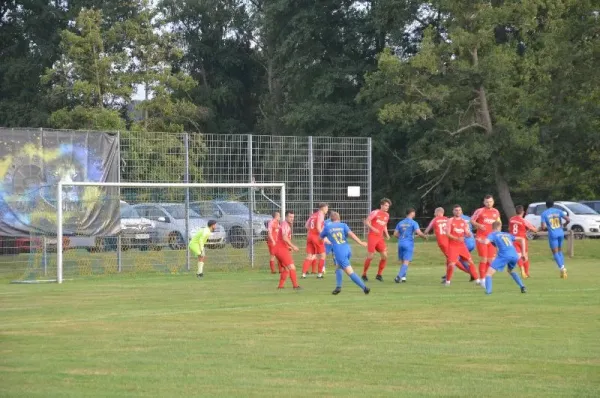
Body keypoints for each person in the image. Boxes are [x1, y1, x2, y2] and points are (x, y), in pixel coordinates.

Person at [320, 211, 370, 295]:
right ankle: (338, 287)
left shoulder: (327, 227)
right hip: (347, 249)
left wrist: (326, 240)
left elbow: (320, 238)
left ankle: (364, 288)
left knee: (349, 272)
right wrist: (361, 242)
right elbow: (352, 235)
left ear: (330, 219)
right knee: (338, 267)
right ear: (339, 218)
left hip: (339, 252)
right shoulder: (343, 225)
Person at [480, 221, 527, 295]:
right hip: (514, 255)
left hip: (504, 255)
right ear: (499, 227)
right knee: (510, 271)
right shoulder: (507, 234)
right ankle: (522, 286)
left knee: (488, 274)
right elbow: (522, 239)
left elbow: (486, 242)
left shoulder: (493, 234)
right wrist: (523, 253)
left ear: (492, 228)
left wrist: (480, 240)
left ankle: (488, 292)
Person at [445, 205, 479, 286]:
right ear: (453, 211)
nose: (458, 212)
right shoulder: (450, 221)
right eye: (456, 210)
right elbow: (447, 234)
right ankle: (448, 281)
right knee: (452, 264)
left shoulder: (464, 221)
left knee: (470, 262)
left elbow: (466, 232)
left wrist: (469, 234)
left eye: (459, 210)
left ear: (461, 211)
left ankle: (477, 280)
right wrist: (457, 238)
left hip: (462, 246)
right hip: (453, 246)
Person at [470, 195, 502, 281]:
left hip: (492, 239)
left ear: (493, 202)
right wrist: (479, 225)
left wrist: (498, 235)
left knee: (490, 259)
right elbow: (472, 220)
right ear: (484, 202)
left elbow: (499, 223)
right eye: (487, 202)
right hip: (481, 238)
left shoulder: (496, 211)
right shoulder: (480, 211)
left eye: (490, 202)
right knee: (484, 258)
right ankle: (482, 279)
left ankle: (486, 277)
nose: (489, 203)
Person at [393, 208, 427, 283]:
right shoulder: (413, 222)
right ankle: (399, 277)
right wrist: (424, 237)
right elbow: (418, 232)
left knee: (403, 261)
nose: (414, 214)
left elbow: (395, 234)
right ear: (412, 213)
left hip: (400, 243)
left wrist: (402, 237)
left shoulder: (400, 222)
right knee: (406, 261)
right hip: (408, 244)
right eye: (414, 213)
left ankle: (403, 277)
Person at [362, 198, 391, 282]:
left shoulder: (387, 215)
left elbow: (384, 225)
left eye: (388, 206)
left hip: (380, 238)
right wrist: (373, 229)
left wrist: (387, 233)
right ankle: (364, 274)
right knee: (370, 256)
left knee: (385, 256)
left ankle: (379, 275)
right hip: (372, 236)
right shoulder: (375, 212)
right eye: (385, 205)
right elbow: (367, 221)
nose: (387, 207)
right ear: (381, 205)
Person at [540, 200, 570, 279]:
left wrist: (547, 228)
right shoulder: (558, 211)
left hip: (553, 234)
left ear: (546, 206)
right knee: (560, 251)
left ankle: (562, 268)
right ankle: (563, 269)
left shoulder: (544, 213)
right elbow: (568, 220)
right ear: (553, 205)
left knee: (555, 253)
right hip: (560, 232)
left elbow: (543, 227)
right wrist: (564, 225)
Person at [509, 205, 538, 278]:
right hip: (522, 240)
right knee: (525, 256)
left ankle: (521, 268)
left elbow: (510, 228)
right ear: (523, 212)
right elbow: (534, 230)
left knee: (518, 256)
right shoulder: (523, 220)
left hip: (513, 240)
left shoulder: (511, 219)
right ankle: (526, 272)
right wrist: (533, 229)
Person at [275, 210, 302, 290]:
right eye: (290, 217)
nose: (292, 218)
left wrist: (288, 246)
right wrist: (293, 246)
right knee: (292, 267)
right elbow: (284, 237)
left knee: (286, 269)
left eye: (293, 217)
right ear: (286, 217)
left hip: (279, 248)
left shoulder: (285, 224)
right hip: (281, 249)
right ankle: (295, 286)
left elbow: (282, 238)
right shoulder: (285, 224)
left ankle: (280, 286)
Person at [302, 203, 329, 279]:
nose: (327, 210)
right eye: (326, 208)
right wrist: (323, 237)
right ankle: (320, 274)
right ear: (322, 208)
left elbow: (306, 225)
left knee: (309, 255)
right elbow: (318, 227)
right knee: (323, 255)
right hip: (317, 237)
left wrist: (311, 231)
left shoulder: (313, 215)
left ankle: (303, 274)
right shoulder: (320, 215)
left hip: (310, 236)